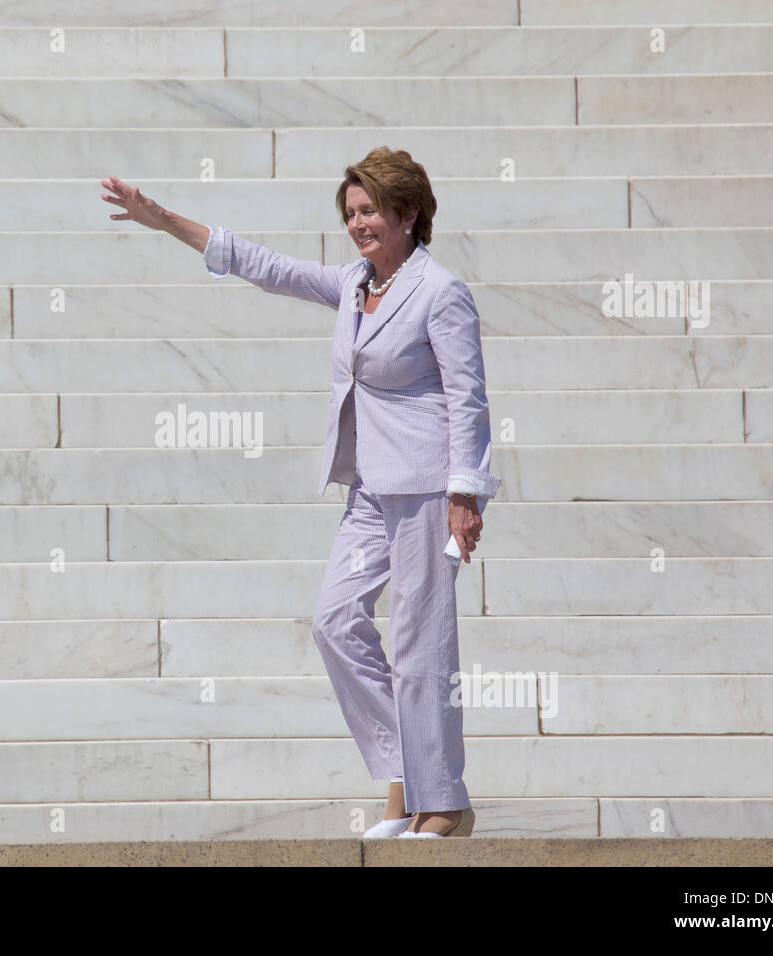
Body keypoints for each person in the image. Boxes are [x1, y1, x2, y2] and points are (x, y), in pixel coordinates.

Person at [101, 146, 499, 838]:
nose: (357, 224)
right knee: (335, 622)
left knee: (420, 643)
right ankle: (406, 776)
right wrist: (163, 220)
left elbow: (468, 397)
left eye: (369, 210)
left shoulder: (439, 291)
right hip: (370, 490)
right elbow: (269, 269)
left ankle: (443, 806)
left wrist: (467, 493)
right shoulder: (352, 286)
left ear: (407, 213)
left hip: (428, 489)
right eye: (350, 213)